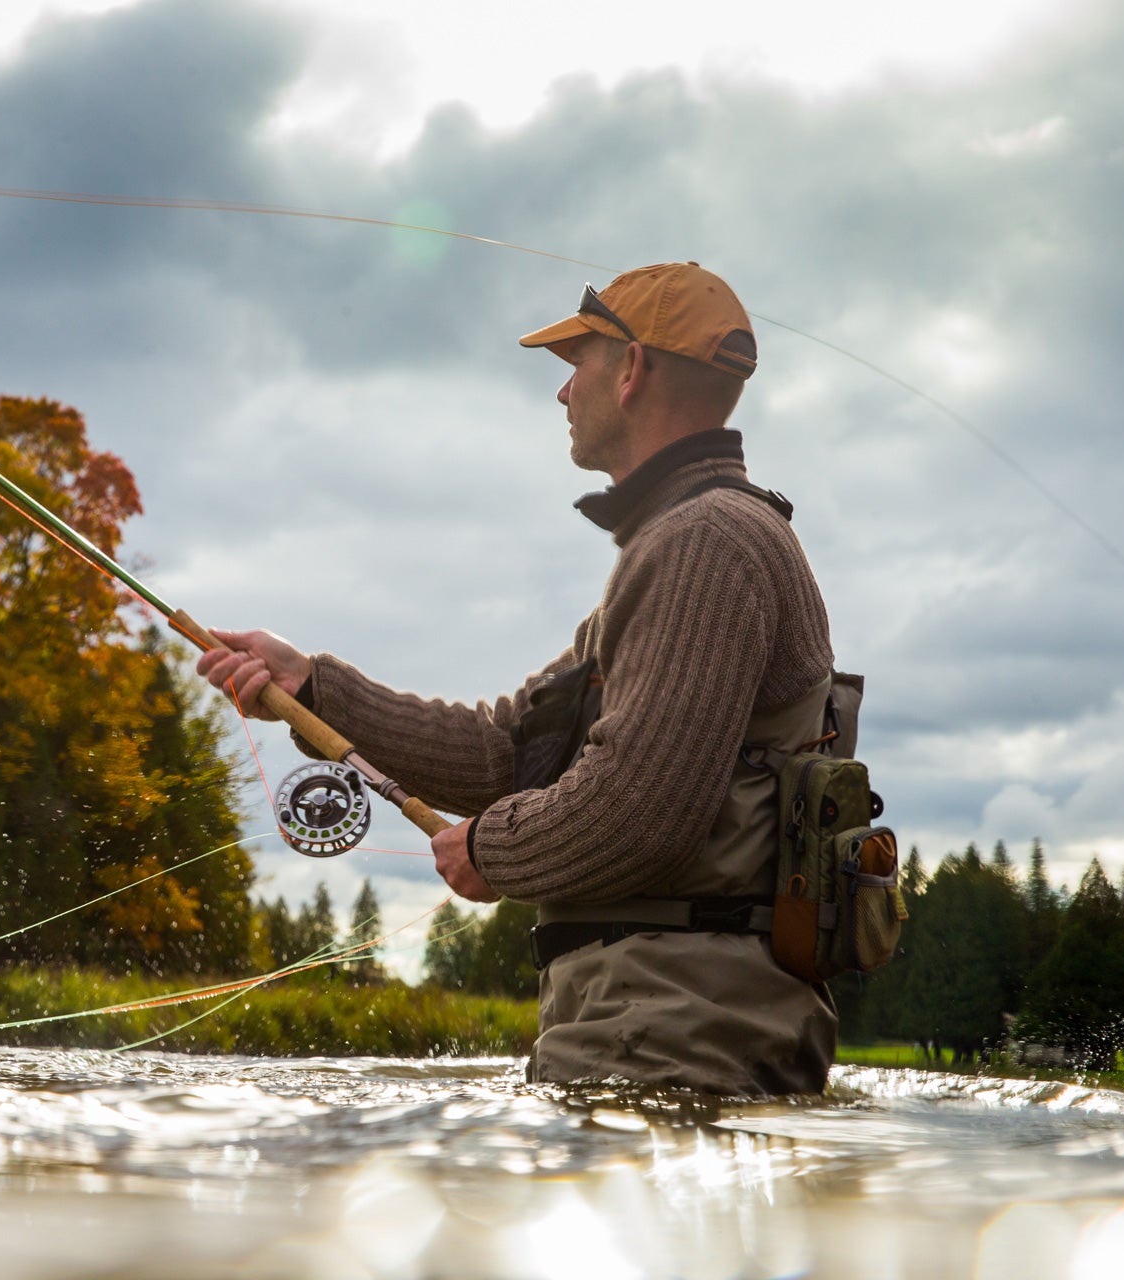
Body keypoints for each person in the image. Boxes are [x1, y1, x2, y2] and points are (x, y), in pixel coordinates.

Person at [197, 262, 839, 1096]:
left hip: (673, 1041)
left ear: (633, 370)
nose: (564, 394)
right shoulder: (684, 543)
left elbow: (642, 809)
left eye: (579, 364)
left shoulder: (706, 544)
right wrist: (315, 685)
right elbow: (511, 751)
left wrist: (491, 850)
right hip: (654, 1029)